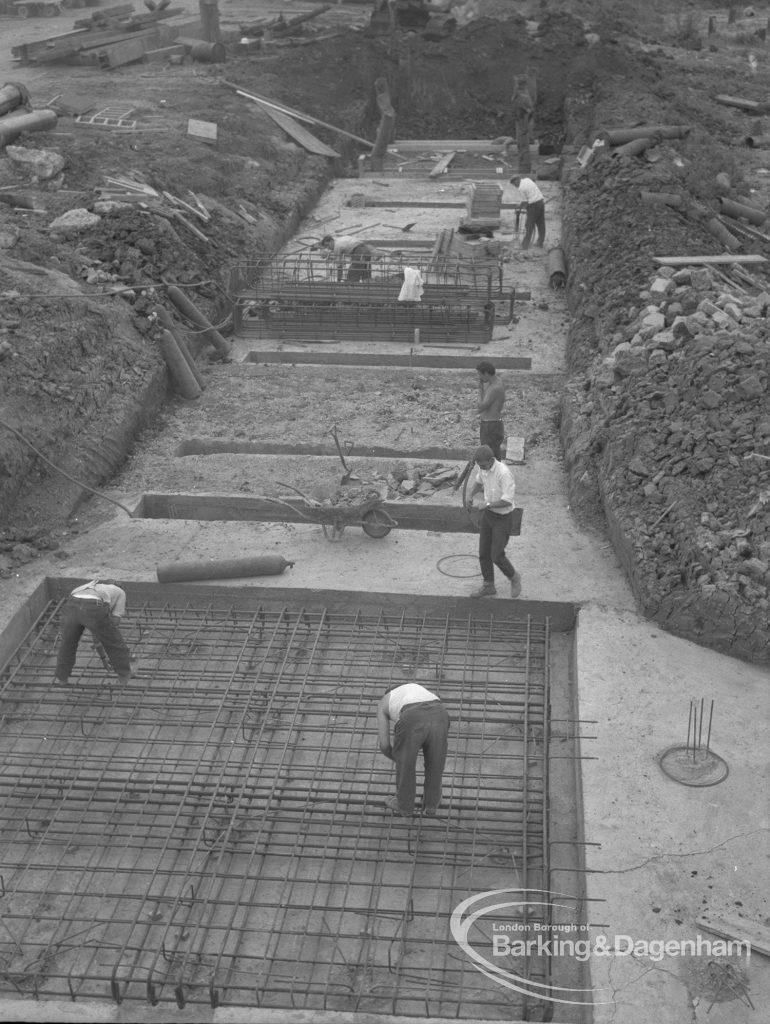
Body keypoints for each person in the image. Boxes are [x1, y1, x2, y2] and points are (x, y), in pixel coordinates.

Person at [377, 682, 450, 817]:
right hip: (441, 714)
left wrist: (401, 759)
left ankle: (404, 805)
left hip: (412, 718)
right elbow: (437, 700)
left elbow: (384, 745)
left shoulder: (384, 701)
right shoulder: (418, 689)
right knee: (436, 761)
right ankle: (432, 804)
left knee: (406, 763)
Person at [465, 444, 522, 599]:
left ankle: (514, 577)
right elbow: (478, 481)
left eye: (483, 465)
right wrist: (471, 494)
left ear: (491, 460)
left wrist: (487, 504)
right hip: (489, 516)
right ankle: (488, 585)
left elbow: (508, 501)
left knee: (496, 555)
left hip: (503, 518)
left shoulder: (503, 473)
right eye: (479, 466)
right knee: (484, 553)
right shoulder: (483, 468)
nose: (481, 468)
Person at [54, 579, 133, 686]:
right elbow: (114, 622)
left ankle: (62, 678)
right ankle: (124, 674)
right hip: (92, 605)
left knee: (67, 644)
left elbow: (93, 625)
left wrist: (103, 657)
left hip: (72, 604)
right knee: (114, 641)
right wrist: (104, 636)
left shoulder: (92, 587)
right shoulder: (120, 592)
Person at [476, 360, 506, 462]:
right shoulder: (497, 381)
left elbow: (481, 406)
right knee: (494, 454)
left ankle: (493, 477)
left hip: (490, 426)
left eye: (480, 375)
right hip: (494, 424)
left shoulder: (494, 388)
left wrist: (480, 389)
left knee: (488, 457)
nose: (480, 378)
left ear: (487, 373)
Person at [510, 174, 545, 250]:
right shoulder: (527, 179)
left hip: (534, 205)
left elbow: (525, 202)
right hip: (541, 202)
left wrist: (519, 206)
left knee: (529, 225)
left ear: (517, 180)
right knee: (541, 224)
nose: (515, 186)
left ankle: (524, 246)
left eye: (514, 184)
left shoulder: (521, 188)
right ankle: (540, 243)